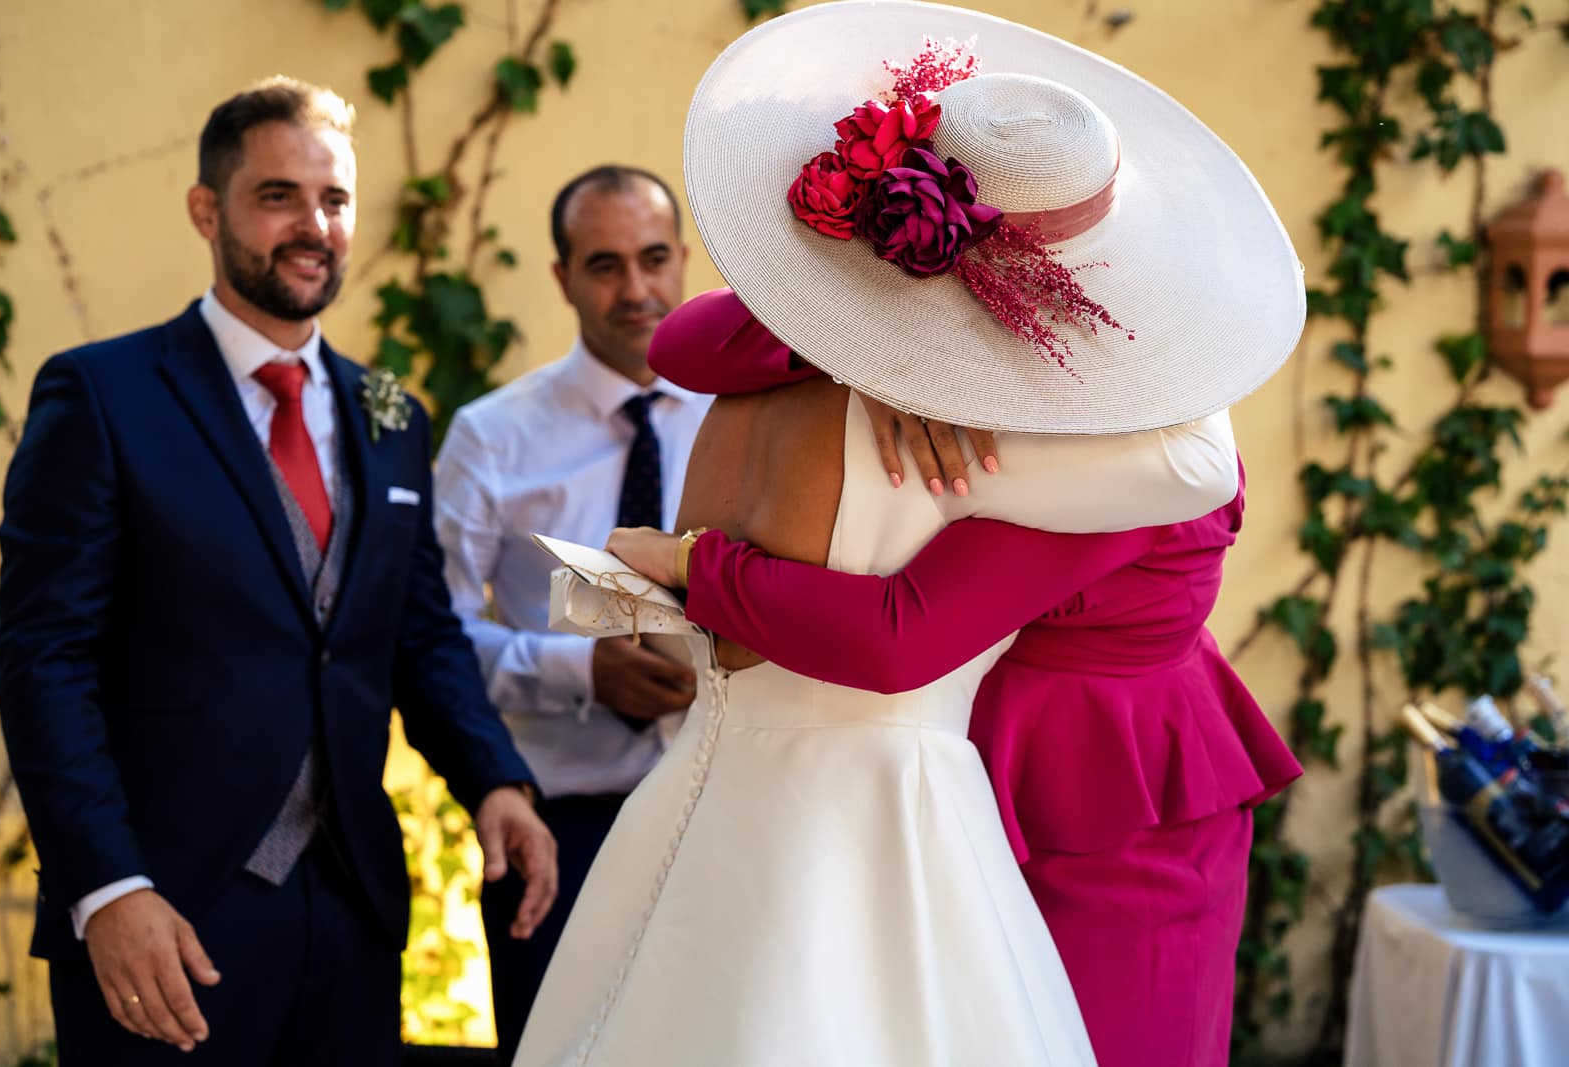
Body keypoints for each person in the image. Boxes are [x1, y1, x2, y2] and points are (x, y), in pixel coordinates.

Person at [513, 2, 1304, 1064]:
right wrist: (855, 345)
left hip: (1110, 787)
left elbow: (901, 633)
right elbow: (692, 340)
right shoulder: (932, 380)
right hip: (960, 755)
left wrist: (698, 563)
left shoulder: (1123, 427)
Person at [0, 77, 556, 1067]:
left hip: (350, 914)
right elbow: (47, 657)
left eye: (333, 199)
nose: (313, 225)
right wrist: (108, 887)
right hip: (165, 919)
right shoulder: (103, 393)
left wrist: (494, 779)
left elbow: (416, 630)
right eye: (278, 196)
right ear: (207, 210)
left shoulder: (391, 411)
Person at [432, 165, 709, 1061]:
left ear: (684, 260)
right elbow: (428, 634)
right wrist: (580, 667)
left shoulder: (740, 418)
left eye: (655, 258)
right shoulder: (492, 435)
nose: (635, 290)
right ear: (561, 277)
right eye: (604, 265)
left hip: (726, 811)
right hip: (561, 825)